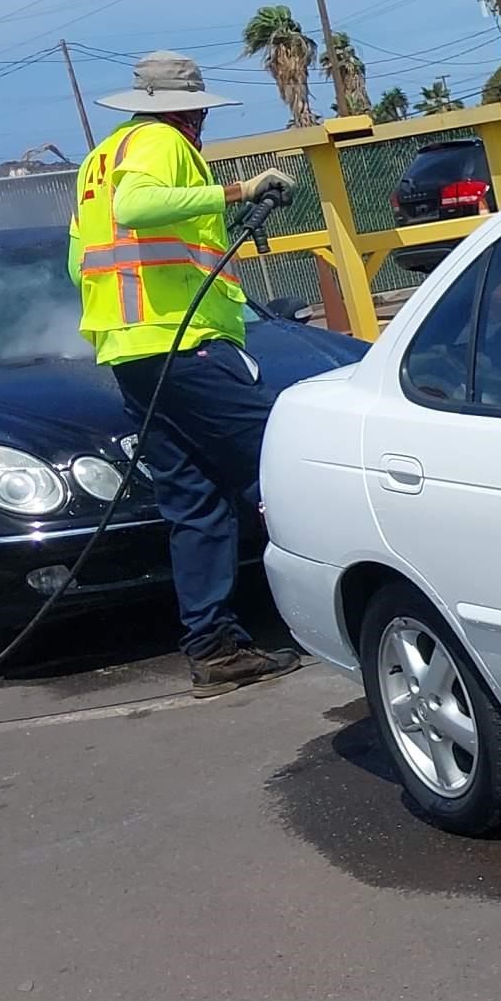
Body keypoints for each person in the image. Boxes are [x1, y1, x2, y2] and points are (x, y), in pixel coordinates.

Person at [70, 51, 301, 695]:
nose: (202, 117)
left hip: (133, 352)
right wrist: (241, 189)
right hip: (186, 342)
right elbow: (142, 209)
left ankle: (215, 647)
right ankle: (352, 602)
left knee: (195, 502)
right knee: (289, 459)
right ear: (185, 106)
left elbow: (78, 264)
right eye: (198, 107)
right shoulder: (160, 141)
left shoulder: (98, 161)